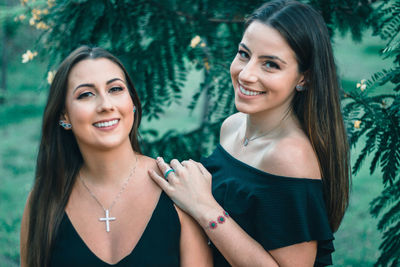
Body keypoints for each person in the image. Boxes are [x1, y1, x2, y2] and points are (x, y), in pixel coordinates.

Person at [149, 0, 350, 266]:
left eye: (270, 65)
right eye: (244, 54)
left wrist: (204, 206)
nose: (246, 74)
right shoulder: (232, 126)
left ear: (304, 78)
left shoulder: (289, 156)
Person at [20, 46, 212, 267]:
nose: (106, 105)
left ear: (132, 103)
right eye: (86, 94)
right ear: (64, 115)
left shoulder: (178, 189)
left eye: (115, 89)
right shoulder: (43, 200)